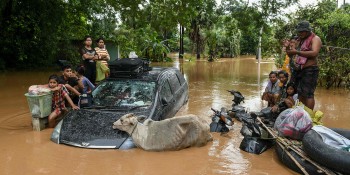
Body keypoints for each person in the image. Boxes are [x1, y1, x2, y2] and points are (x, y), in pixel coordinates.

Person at [286, 21, 322, 110]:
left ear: (307, 31)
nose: (300, 33)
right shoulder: (299, 40)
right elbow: (291, 54)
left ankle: (309, 116)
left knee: (308, 94)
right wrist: (287, 47)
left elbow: (314, 53)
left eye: (302, 31)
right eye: (299, 32)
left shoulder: (315, 39)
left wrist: (297, 52)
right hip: (299, 70)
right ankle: (300, 113)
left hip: (310, 70)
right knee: (300, 93)